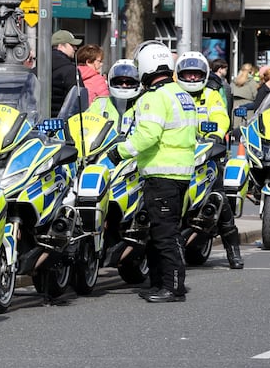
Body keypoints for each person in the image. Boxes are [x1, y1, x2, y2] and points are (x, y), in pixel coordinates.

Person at [108, 41, 197, 301]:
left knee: (165, 235)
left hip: (161, 174)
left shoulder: (153, 97)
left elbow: (147, 136)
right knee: (161, 232)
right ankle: (159, 283)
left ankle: (173, 287)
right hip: (179, 173)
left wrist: (119, 152)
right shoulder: (181, 94)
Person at [175, 52, 243, 268]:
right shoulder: (174, 94)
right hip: (178, 156)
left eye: (196, 74)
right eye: (188, 74)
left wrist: (215, 134)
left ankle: (233, 251)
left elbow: (220, 116)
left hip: (207, 154)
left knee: (219, 196)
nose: (192, 78)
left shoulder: (210, 94)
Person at [87, 59, 140, 135]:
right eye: (119, 82)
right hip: (103, 143)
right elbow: (86, 126)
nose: (124, 85)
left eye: (129, 82)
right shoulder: (100, 104)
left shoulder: (141, 105)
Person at [50, 29, 83, 111]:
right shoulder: (70, 70)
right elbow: (79, 101)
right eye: (72, 45)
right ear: (60, 46)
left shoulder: (40, 67)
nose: (75, 48)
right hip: (63, 117)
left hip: (40, 117)